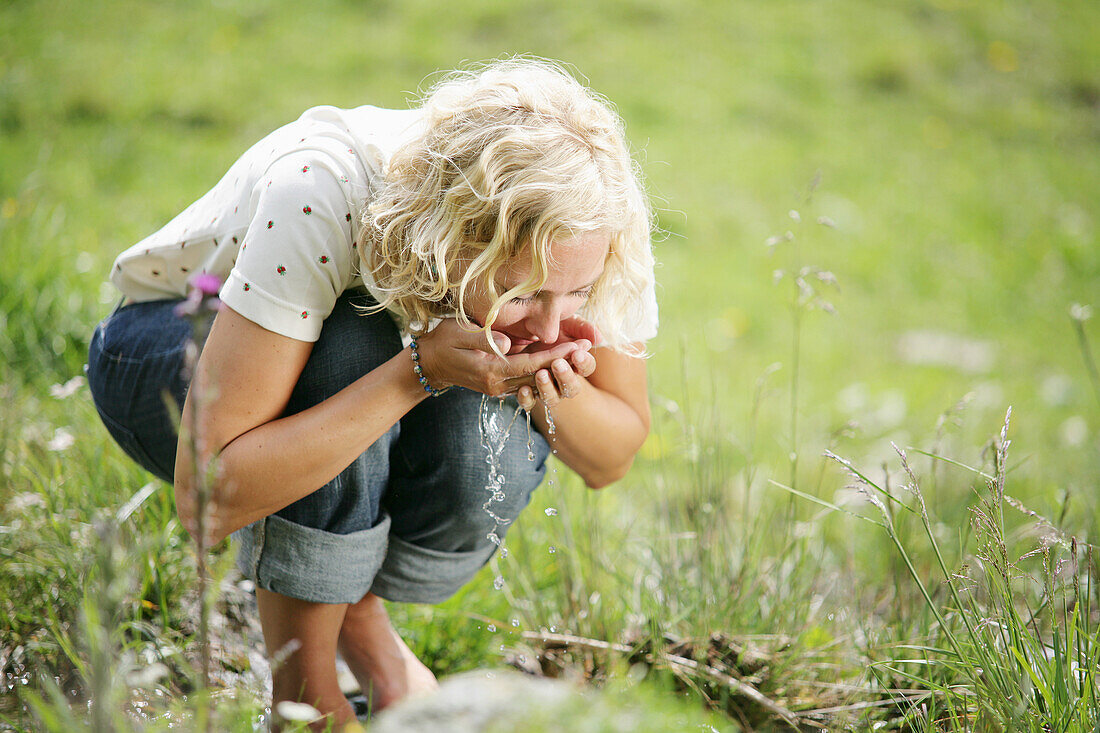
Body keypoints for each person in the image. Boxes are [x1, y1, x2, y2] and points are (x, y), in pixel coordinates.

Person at [86, 57, 657, 728]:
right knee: (355, 348)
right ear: (453, 245)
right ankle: (307, 700)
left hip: (319, 401)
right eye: (524, 289)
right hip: (162, 358)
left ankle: (361, 627)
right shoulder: (321, 191)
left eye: (576, 293)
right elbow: (205, 495)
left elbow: (610, 457)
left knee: (477, 413)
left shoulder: (594, 218)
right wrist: (419, 371)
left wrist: (540, 384)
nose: (555, 323)